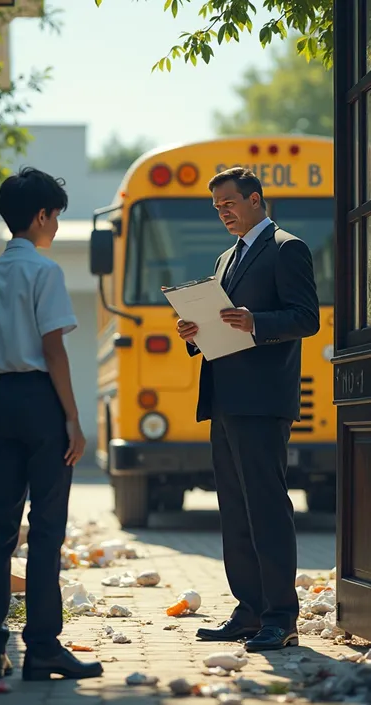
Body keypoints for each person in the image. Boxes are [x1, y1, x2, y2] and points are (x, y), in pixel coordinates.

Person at [0, 167, 103, 682]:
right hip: (43, 403)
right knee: (46, 530)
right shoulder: (44, 273)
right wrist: (72, 417)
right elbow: (53, 348)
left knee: (0, 527)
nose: (54, 227)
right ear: (42, 216)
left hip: (4, 403)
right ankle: (43, 646)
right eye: (55, 217)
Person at [176, 167, 319, 652]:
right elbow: (223, 325)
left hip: (263, 401)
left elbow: (306, 318)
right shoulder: (224, 258)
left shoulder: (287, 248)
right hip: (225, 399)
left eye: (229, 203)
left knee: (266, 509)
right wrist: (194, 333)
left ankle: (281, 617)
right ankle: (249, 611)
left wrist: (256, 321)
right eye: (217, 207)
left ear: (255, 199)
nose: (223, 213)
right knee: (235, 510)